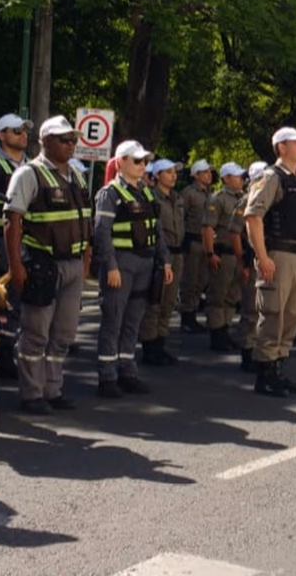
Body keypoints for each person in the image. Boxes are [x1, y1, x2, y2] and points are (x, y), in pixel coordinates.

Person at [4, 115, 92, 414]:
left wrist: (86, 262)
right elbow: (12, 220)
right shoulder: (30, 174)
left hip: (73, 265)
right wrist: (16, 266)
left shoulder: (77, 176)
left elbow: (85, 221)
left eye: (73, 140)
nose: (70, 145)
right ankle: (31, 393)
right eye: (63, 139)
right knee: (35, 331)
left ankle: (53, 389)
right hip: (42, 263)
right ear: (45, 141)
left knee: (64, 333)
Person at [93, 140, 172, 398]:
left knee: (133, 322)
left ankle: (127, 370)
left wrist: (165, 259)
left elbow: (156, 229)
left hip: (145, 263)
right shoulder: (110, 193)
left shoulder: (146, 192)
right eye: (137, 161)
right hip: (122, 263)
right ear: (121, 162)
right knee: (113, 319)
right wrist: (111, 266)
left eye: (145, 161)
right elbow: (102, 233)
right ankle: (107, 376)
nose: (142, 165)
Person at [244, 126, 296, 397]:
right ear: (281, 147)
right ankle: (264, 373)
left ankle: (279, 367)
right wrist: (262, 256)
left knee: (294, 313)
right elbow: (253, 217)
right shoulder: (271, 177)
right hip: (279, 254)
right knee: (273, 312)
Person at [0, 112, 32, 380]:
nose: (22, 134)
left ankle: (7, 353)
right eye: (15, 130)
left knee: (17, 301)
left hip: (25, 242)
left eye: (24, 130)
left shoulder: (32, 167)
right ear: (1, 135)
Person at [139, 158, 185, 367]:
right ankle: (150, 346)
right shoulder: (152, 198)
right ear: (157, 175)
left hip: (177, 253)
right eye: (167, 172)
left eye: (174, 171)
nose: (173, 175)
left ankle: (161, 342)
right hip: (159, 254)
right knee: (155, 301)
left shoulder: (177, 198)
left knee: (168, 302)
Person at [203, 162, 246, 352]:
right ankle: (216, 333)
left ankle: (225, 330)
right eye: (237, 176)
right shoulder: (217, 199)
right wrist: (210, 253)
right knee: (217, 296)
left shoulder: (244, 198)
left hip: (238, 254)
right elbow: (208, 227)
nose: (241, 179)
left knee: (232, 296)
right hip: (222, 252)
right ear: (226, 178)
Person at [232, 161, 268, 372]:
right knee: (251, 309)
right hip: (250, 259)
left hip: (265, 259)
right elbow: (235, 233)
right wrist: (242, 261)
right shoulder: (246, 200)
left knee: (264, 309)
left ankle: (258, 351)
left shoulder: (268, 199)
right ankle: (247, 351)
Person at [178, 159, 213, 335]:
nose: (209, 175)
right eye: (205, 172)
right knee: (190, 280)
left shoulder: (211, 193)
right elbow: (181, 217)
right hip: (192, 241)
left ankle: (193, 311)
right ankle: (187, 316)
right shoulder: (189, 193)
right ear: (196, 175)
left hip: (206, 242)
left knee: (202, 280)